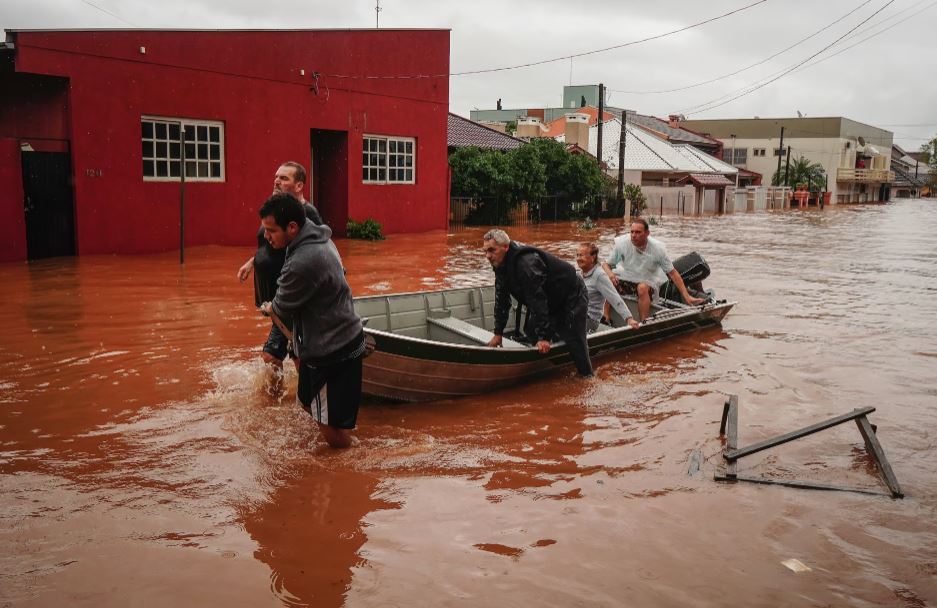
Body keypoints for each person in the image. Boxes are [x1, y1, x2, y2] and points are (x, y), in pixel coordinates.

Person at [257, 192, 365, 449]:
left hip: (331, 350)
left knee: (329, 428)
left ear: (292, 227)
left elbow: (281, 308)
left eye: (271, 230)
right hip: (332, 338)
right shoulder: (317, 236)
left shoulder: (303, 262)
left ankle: (348, 464)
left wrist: (270, 306)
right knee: (307, 402)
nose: (266, 236)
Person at [237, 162, 322, 367]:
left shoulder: (306, 214)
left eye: (284, 178)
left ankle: (290, 397)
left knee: (272, 356)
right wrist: (253, 262)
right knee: (295, 350)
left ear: (299, 185)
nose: (277, 181)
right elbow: (269, 242)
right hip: (278, 295)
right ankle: (301, 395)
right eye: (276, 176)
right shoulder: (276, 208)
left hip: (291, 296)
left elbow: (319, 250)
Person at [483, 229, 593, 378]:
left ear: (506, 247)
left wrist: (544, 337)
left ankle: (586, 378)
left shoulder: (526, 263)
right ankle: (555, 366)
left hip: (571, 294)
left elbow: (537, 299)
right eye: (485, 251)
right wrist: (498, 333)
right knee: (530, 329)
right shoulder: (500, 264)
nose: (488, 256)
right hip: (551, 298)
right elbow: (501, 299)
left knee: (574, 337)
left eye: (492, 250)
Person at [601, 218, 706, 322]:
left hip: (647, 280)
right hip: (627, 276)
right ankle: (605, 316)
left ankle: (644, 322)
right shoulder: (622, 244)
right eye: (632, 232)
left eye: (638, 232)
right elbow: (606, 264)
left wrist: (687, 297)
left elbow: (673, 273)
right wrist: (610, 274)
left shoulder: (657, 249)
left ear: (647, 233)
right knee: (610, 280)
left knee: (642, 288)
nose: (633, 235)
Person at [576, 242, 640, 332]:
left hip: (590, 319)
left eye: (581, 255)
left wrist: (629, 318)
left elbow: (614, 297)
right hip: (578, 314)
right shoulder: (579, 274)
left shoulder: (599, 275)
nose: (578, 259)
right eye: (577, 255)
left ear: (593, 257)